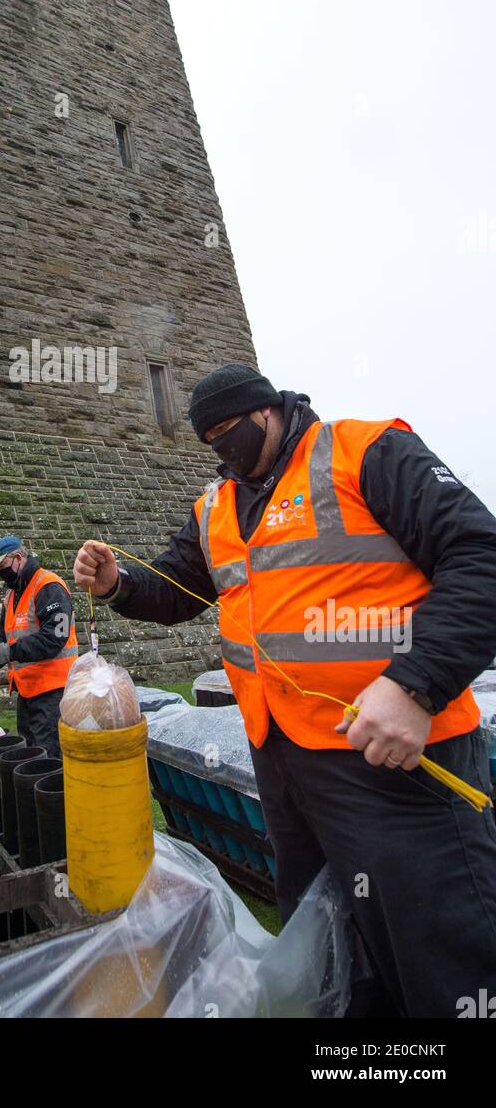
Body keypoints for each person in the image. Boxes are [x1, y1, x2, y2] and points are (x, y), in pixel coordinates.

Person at [74, 364, 496, 1018]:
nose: (224, 447)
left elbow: (479, 555)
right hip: (284, 759)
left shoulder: (364, 452)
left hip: (398, 759)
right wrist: (117, 585)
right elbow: (176, 588)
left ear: (267, 410)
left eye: (231, 430)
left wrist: (414, 685)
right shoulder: (216, 506)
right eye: (210, 439)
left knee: (438, 942)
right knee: (330, 935)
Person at [0, 535, 77, 757]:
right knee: (31, 756)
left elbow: (56, 637)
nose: (0, 573)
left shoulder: (49, 585)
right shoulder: (11, 594)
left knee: (48, 759)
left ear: (18, 558)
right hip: (27, 691)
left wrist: (8, 652)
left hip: (53, 692)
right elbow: (1, 635)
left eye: (2, 567)